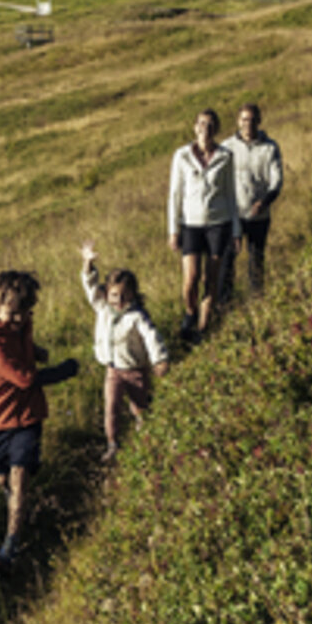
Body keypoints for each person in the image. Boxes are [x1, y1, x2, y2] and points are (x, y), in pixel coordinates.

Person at [0, 269, 77, 569]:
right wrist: (63, 371)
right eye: (13, 314)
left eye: (26, 313)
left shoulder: (19, 324)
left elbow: (21, 348)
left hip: (27, 415)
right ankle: (16, 502)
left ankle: (11, 543)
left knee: (19, 477)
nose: (20, 320)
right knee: (3, 476)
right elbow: (22, 378)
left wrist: (35, 349)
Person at [79, 242, 171, 459]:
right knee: (111, 406)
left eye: (124, 295)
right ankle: (112, 444)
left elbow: (151, 337)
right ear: (106, 294)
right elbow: (90, 287)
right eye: (113, 295)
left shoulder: (137, 316)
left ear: (133, 294)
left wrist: (160, 359)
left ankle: (145, 433)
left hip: (136, 370)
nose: (118, 301)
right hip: (113, 370)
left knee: (140, 406)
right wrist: (88, 263)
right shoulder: (103, 308)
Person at [166, 108, 237, 341]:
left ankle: (203, 329)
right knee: (191, 279)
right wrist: (173, 229)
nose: (205, 129)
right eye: (201, 124)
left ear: (216, 129)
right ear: (194, 127)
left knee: (211, 279)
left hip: (219, 223)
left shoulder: (226, 156)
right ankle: (190, 312)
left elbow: (231, 195)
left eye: (210, 125)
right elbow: (175, 194)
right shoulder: (182, 156)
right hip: (190, 224)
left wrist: (235, 231)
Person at [226, 102, 285, 297]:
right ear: (238, 121)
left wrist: (264, 202)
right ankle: (225, 302)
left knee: (256, 259)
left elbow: (277, 180)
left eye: (252, 120)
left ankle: (257, 300)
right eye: (244, 120)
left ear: (259, 121)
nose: (248, 124)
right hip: (233, 214)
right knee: (228, 259)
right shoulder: (227, 148)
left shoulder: (270, 148)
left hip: (259, 215)